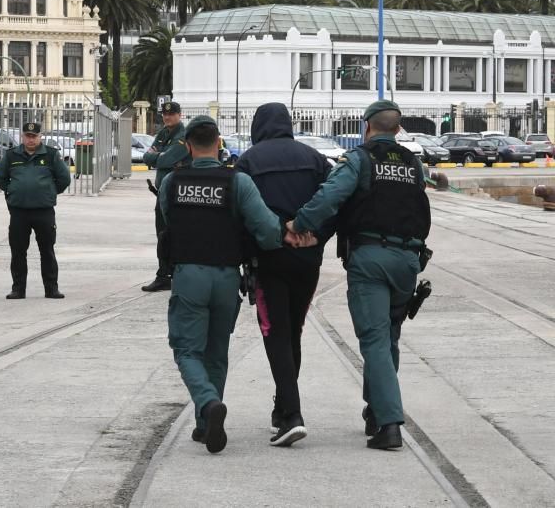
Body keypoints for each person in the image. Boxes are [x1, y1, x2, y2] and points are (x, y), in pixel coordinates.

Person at [287, 100, 431, 450]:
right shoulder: (413, 164)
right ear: (397, 130)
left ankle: (390, 424)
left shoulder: (358, 160)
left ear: (367, 127)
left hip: (371, 259)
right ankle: (375, 409)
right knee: (389, 338)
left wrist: (299, 223)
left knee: (375, 340)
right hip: (408, 261)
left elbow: (329, 197)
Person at [159, 115, 293, 454]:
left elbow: (167, 222)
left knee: (187, 350)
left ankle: (207, 405)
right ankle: (206, 425)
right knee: (216, 353)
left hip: (189, 275)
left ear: (188, 146)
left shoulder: (171, 182)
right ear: (219, 144)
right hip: (226, 276)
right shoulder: (239, 182)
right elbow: (265, 229)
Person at [235, 103, 332, 446]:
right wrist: (318, 237)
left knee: (274, 332)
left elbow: (242, 214)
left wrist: (246, 255)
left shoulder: (249, 160)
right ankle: (282, 407)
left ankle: (291, 414)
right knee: (294, 331)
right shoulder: (315, 158)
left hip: (269, 259)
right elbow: (335, 200)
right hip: (308, 259)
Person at [0, 121, 72, 299]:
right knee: (18, 251)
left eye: (34, 136)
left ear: (40, 137)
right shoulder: (12, 155)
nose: (30, 140)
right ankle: (18, 289)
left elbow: (64, 179)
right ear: (23, 137)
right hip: (19, 211)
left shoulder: (51, 155)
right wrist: (13, 191)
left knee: (47, 250)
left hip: (43, 211)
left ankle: (51, 288)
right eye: (27, 136)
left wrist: (50, 192)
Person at [142, 101, 191, 292]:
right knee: (162, 235)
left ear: (180, 115)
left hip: (177, 194)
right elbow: (147, 157)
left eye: (171, 114)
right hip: (162, 193)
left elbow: (166, 159)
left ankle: (175, 273)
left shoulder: (182, 136)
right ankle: (164, 274)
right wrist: (160, 158)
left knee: (176, 235)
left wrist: (159, 157)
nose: (167, 117)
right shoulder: (163, 133)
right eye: (164, 114)